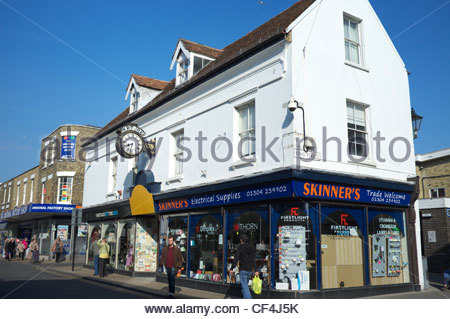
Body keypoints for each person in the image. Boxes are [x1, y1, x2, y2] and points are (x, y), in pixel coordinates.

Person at [230, 234, 259, 299]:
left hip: (243, 269)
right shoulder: (251, 248)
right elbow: (253, 259)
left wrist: (232, 268)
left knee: (245, 286)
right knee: (245, 286)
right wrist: (256, 270)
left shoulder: (240, 247)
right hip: (250, 270)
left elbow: (236, 258)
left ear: (241, 240)